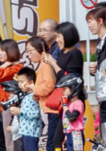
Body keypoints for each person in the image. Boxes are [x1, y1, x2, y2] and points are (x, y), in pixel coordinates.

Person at [42, 21, 84, 151]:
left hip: (74, 101)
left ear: (67, 36)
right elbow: (58, 79)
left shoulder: (75, 53)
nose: (57, 40)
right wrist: (49, 64)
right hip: (64, 101)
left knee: (73, 135)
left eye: (59, 37)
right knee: (59, 139)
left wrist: (53, 63)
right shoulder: (61, 53)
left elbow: (69, 80)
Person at [0, 39, 24, 151]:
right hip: (6, 105)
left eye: (2, 51)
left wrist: (6, 63)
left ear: (10, 51)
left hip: (11, 105)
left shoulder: (16, 68)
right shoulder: (12, 67)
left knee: (10, 140)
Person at [25, 36, 57, 151]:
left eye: (30, 51)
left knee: (52, 144)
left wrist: (33, 88)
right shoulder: (45, 63)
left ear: (39, 49)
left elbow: (48, 86)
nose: (28, 55)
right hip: (50, 109)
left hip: (53, 109)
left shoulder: (45, 64)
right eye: (26, 51)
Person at [88, 7, 106, 147]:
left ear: (100, 21)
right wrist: (96, 70)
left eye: (90, 21)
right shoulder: (100, 43)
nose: (88, 25)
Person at [13, 68, 40, 151]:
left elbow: (35, 114)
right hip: (25, 131)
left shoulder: (34, 96)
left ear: (31, 83)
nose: (19, 84)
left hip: (31, 131)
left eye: (22, 82)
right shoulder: (26, 96)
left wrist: (20, 111)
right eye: (18, 82)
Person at [56, 75, 85, 151]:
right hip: (68, 134)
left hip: (76, 134)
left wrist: (65, 108)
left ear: (73, 89)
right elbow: (66, 122)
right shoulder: (69, 104)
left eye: (64, 89)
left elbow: (72, 118)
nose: (62, 92)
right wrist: (65, 137)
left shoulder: (78, 103)